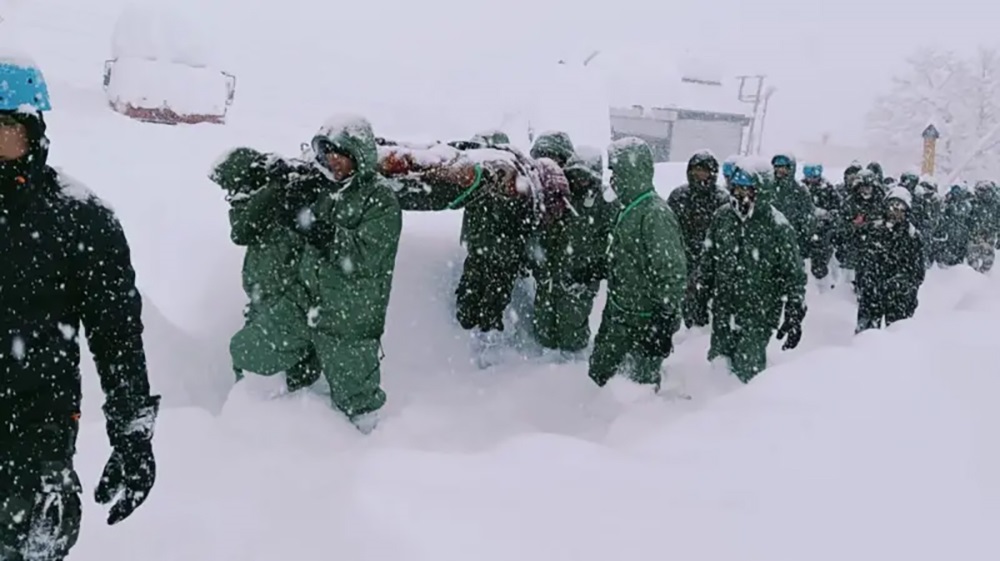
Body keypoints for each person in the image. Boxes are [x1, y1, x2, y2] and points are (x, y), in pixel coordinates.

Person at [1, 57, 160, 560]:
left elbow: (117, 337)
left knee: (34, 542)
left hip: (35, 431)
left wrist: (131, 433)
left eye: (4, 128)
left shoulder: (80, 220)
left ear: (34, 132)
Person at [216, 115, 402, 433]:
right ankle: (260, 421)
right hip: (304, 303)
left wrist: (320, 230)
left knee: (358, 404)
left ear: (358, 155)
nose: (332, 161)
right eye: (326, 152)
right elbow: (249, 226)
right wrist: (281, 192)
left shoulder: (380, 199)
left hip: (349, 316)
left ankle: (370, 460)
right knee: (250, 351)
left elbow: (366, 257)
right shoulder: (320, 185)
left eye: (339, 153)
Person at [693, 162, 807, 383]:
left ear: (761, 191)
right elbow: (708, 259)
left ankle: (746, 412)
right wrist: (701, 293)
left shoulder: (777, 226)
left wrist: (794, 310)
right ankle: (712, 411)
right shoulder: (723, 217)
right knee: (719, 364)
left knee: (747, 368)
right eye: (736, 188)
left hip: (760, 311)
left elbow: (793, 272)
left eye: (747, 189)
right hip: (725, 307)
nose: (741, 194)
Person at [588, 137, 686, 389]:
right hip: (619, 314)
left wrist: (663, 321)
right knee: (602, 377)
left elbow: (671, 272)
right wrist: (599, 267)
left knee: (635, 390)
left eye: (617, 172)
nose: (614, 179)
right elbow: (628, 255)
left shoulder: (654, 213)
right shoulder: (628, 208)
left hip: (644, 321)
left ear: (634, 171)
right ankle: (594, 424)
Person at [530, 137, 616, 357]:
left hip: (582, 276)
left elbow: (618, 240)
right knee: (543, 323)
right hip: (551, 272)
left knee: (572, 326)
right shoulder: (558, 196)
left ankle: (571, 365)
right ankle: (540, 366)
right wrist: (537, 259)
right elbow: (539, 230)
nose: (579, 182)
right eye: (575, 176)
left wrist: (599, 266)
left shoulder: (604, 202)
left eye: (585, 177)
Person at [667, 151, 729, 327]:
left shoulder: (722, 199)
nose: (700, 174)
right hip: (681, 256)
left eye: (705, 170)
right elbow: (669, 227)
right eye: (696, 170)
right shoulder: (679, 196)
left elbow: (726, 234)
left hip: (710, 259)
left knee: (704, 303)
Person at [855, 187, 925, 331]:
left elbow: (918, 272)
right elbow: (863, 260)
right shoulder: (874, 230)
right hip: (872, 294)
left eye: (900, 209)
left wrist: (903, 286)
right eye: (892, 207)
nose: (895, 212)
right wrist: (866, 283)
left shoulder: (912, 237)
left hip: (900, 298)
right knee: (865, 338)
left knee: (898, 339)